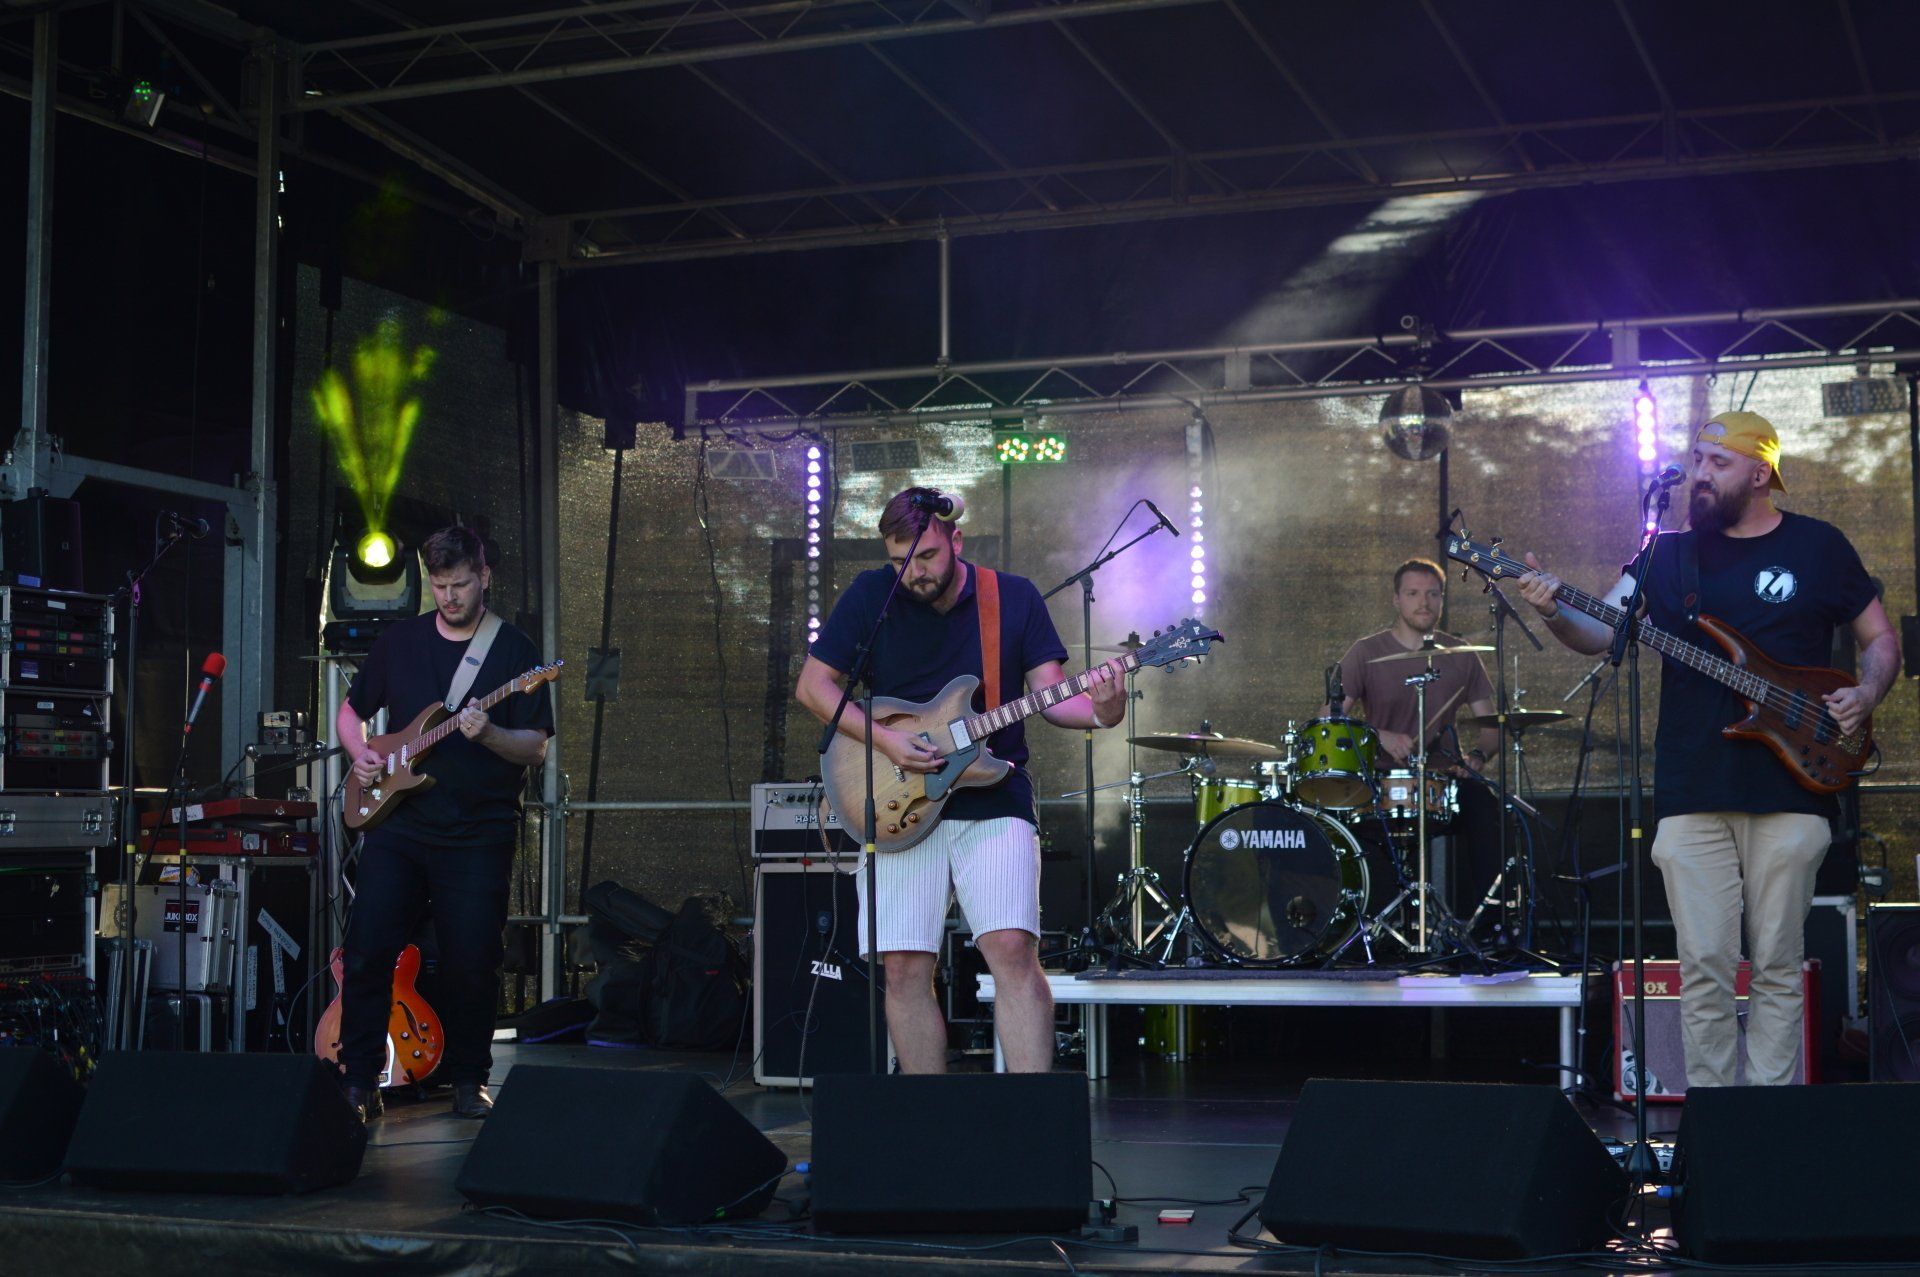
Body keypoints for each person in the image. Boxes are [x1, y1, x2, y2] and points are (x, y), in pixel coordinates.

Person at [1517, 411, 1896, 1087]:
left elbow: (1881, 638)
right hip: (1692, 786)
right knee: (1704, 967)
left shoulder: (1819, 546)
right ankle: (1715, 1121)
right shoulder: (1667, 554)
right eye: (1697, 459)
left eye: (1718, 462)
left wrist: (1865, 693)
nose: (1700, 473)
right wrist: (1551, 608)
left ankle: (1768, 1119)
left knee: (1778, 964)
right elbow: (1600, 632)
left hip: (1794, 783)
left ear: (1761, 473)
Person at [795, 487, 1126, 1073]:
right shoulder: (873, 594)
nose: (914, 573)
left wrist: (1104, 710)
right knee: (903, 965)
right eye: (901, 561)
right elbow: (813, 686)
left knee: (1012, 949)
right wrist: (888, 741)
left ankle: (1032, 1109)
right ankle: (929, 1115)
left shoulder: (1012, 597)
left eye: (926, 557)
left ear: (956, 540)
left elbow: (1052, 696)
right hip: (896, 797)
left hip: (992, 794)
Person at [336, 526, 554, 1121]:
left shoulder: (514, 650)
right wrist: (361, 753)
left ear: (484, 576)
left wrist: (491, 733)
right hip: (400, 822)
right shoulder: (400, 641)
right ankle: (358, 1082)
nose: (449, 597)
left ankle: (468, 1079)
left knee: (472, 960)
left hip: (478, 830)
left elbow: (535, 747)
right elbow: (351, 713)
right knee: (367, 950)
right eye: (439, 586)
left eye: (460, 584)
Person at [1327, 558, 1501, 918]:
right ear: (1396, 599)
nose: (1424, 602)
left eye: (1432, 594)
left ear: (1442, 599)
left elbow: (1491, 728)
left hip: (1443, 781)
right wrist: (1379, 736)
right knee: (1353, 829)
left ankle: (1486, 927)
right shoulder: (1366, 652)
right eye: (1413, 593)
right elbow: (1330, 717)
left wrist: (1477, 757)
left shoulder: (1462, 656)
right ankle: (1372, 924)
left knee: (1487, 809)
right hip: (1381, 782)